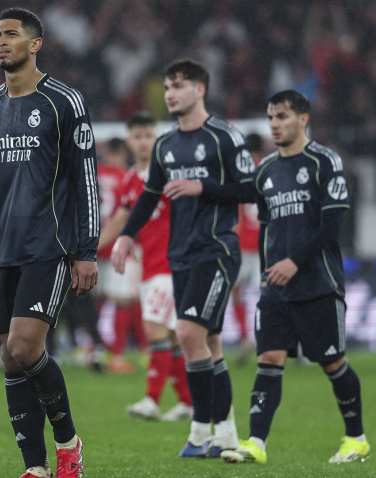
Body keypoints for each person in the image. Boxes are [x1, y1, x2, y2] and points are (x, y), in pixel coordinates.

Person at [0, 8, 98, 478]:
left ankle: (69, 443)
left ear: (35, 44)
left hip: (48, 246)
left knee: (27, 346)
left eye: (11, 34)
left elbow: (86, 178)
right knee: (10, 357)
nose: (1, 42)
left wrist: (86, 249)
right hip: (2, 251)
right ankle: (35, 467)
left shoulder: (63, 101)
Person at [111, 59, 256, 458]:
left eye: (179, 86)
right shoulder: (166, 144)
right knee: (208, 342)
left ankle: (197, 430)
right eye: (168, 86)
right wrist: (125, 236)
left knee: (189, 333)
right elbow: (149, 195)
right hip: (181, 253)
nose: (171, 93)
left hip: (217, 249)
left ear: (200, 89)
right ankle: (224, 434)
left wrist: (202, 187)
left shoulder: (225, 137)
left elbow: (252, 190)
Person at [222, 90, 370, 464]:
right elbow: (261, 217)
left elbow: (332, 225)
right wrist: (200, 187)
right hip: (275, 288)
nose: (274, 123)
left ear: (303, 119)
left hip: (318, 282)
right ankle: (256, 443)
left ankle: (356, 438)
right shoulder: (267, 169)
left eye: (282, 116)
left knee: (333, 363)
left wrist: (294, 262)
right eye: (271, 117)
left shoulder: (324, 161)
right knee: (268, 359)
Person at [99, 111, 193, 422]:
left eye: (148, 135)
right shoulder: (129, 180)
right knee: (173, 335)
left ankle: (151, 400)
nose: (143, 142)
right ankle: (187, 402)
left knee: (155, 329)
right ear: (129, 141)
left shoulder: (168, 174)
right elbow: (122, 219)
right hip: (149, 264)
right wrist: (91, 248)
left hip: (171, 263)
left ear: (157, 138)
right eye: (137, 136)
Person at [96, 136, 142, 374]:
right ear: (123, 152)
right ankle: (117, 355)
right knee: (123, 300)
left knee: (94, 299)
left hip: (91, 246)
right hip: (117, 245)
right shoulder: (126, 176)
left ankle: (93, 348)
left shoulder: (93, 173)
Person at [231, 133, 265, 366]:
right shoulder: (269, 169)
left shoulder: (238, 172)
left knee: (234, 291)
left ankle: (245, 336)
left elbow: (234, 208)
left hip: (242, 243)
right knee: (271, 294)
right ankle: (286, 343)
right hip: (264, 243)